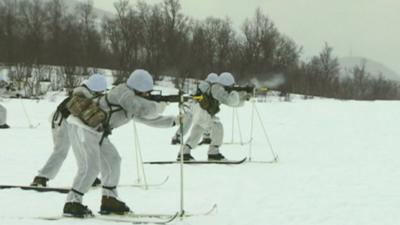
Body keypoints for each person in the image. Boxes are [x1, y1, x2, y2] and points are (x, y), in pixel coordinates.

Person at [63, 69, 180, 218]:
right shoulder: (124, 94)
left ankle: (109, 199)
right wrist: (159, 106)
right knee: (92, 167)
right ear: (139, 87)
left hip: (97, 131)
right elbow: (143, 110)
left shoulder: (130, 99)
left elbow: (147, 119)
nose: (148, 95)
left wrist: (174, 121)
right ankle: (72, 202)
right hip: (85, 128)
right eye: (146, 91)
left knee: (113, 160)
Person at [30, 74, 106, 187]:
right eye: (100, 92)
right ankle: (41, 178)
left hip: (70, 123)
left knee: (82, 149)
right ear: (95, 89)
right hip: (62, 123)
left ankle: (88, 176)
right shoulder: (81, 95)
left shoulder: (85, 94)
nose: (101, 94)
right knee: (61, 151)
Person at [177, 72, 247, 161]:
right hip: (203, 112)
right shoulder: (217, 88)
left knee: (197, 131)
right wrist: (237, 94)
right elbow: (229, 101)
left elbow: (232, 102)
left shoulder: (217, 88)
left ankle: (184, 152)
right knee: (217, 127)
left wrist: (243, 98)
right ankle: (213, 153)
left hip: (200, 111)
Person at [170, 73, 219, 145]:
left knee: (204, 118)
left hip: (191, 104)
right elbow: (195, 97)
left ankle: (206, 136)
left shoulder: (204, 85)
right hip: (191, 105)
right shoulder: (205, 86)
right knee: (192, 120)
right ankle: (177, 137)